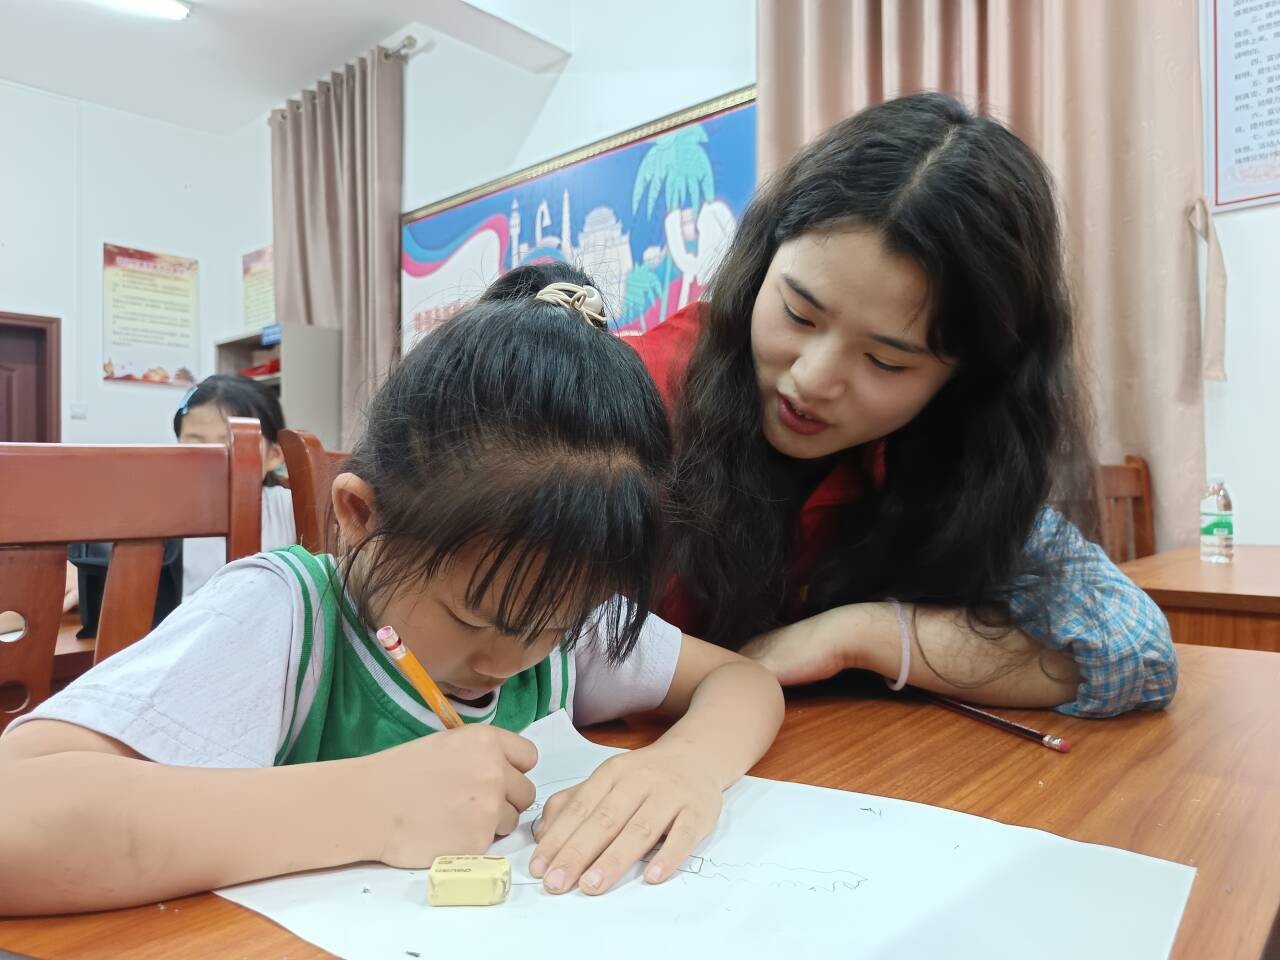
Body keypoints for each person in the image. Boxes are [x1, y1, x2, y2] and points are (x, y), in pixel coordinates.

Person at [0, 264, 783, 916]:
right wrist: (365, 806)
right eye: (473, 618)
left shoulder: (554, 611)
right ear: (360, 517)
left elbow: (742, 682)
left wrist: (682, 767)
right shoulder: (284, 617)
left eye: (557, 624)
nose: (510, 660)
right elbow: (16, 812)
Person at [629, 92, 1176, 718]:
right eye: (799, 314)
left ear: (965, 379)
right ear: (763, 264)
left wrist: (858, 635)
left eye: (886, 361)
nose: (813, 380)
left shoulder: (938, 452)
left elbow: (1135, 651)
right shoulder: (632, 399)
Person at [174, 374, 296, 598]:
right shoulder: (166, 520)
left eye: (231, 447)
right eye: (194, 446)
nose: (211, 462)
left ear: (273, 455)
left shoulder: (290, 509)